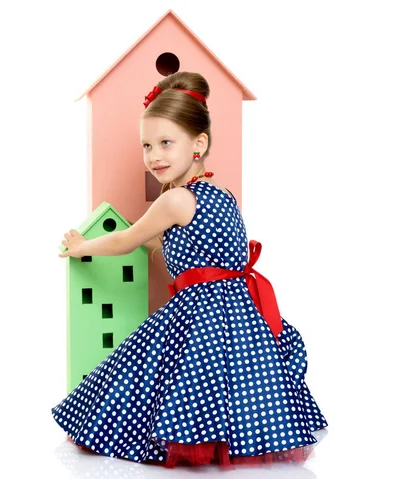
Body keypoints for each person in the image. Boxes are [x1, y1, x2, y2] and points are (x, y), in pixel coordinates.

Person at [52, 71, 327, 469]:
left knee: (145, 365)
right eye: (147, 145)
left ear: (198, 144)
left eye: (166, 143)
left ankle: (140, 432)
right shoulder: (224, 193)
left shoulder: (175, 201)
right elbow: (186, 247)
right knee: (237, 380)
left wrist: (83, 246)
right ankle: (232, 439)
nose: (154, 156)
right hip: (241, 308)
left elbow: (125, 239)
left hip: (201, 308)